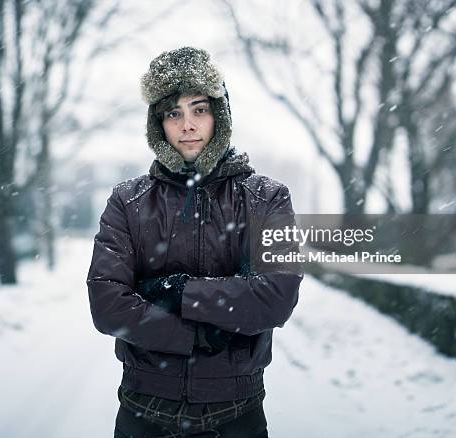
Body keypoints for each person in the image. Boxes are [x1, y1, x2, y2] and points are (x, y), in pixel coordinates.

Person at [87, 47, 303, 437]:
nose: (188, 125)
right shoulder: (127, 201)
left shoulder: (266, 198)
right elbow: (107, 303)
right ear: (159, 124)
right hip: (144, 409)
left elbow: (277, 295)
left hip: (237, 411)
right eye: (174, 113)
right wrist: (200, 333)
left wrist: (178, 292)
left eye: (199, 109)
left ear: (219, 115)